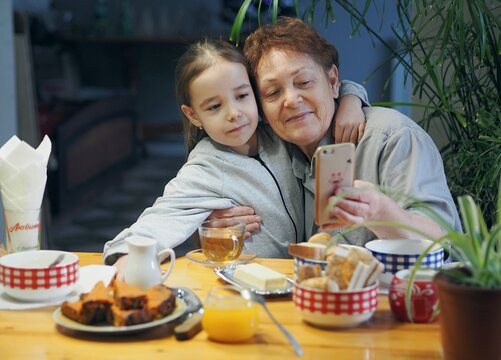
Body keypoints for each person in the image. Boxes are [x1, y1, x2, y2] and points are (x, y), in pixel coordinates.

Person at [103, 39, 369, 269]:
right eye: (215, 106)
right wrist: (126, 256)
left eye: (242, 95)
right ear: (193, 115)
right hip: (248, 285)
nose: (234, 113)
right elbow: (159, 219)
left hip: (302, 277)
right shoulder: (205, 168)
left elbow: (326, 87)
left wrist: (351, 99)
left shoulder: (278, 130)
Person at [212, 17, 461, 245]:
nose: (291, 100)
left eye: (303, 82)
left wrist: (381, 213)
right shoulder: (268, 150)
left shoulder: (393, 137)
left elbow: (443, 238)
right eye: (273, 93)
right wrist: (217, 221)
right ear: (262, 109)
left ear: (332, 81)